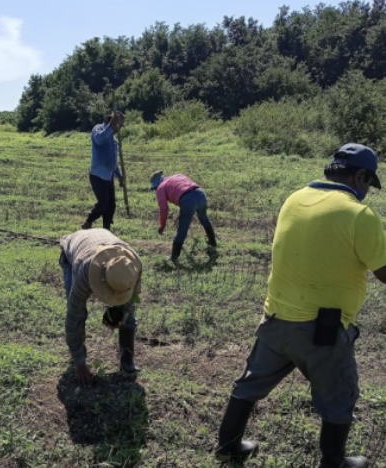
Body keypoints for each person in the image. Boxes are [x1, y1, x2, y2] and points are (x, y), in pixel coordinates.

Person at [215, 143, 386, 468]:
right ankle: (334, 463)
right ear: (361, 176)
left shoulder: (295, 199)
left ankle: (228, 447)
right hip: (324, 332)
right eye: (368, 184)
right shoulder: (359, 214)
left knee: (249, 385)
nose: (367, 192)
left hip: (276, 319)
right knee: (338, 398)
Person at [59, 228, 142, 387]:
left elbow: (132, 300)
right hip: (75, 250)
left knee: (129, 318)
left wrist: (123, 315)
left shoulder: (133, 266)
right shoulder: (84, 270)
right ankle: (77, 357)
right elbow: (73, 317)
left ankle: (127, 360)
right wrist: (80, 364)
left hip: (102, 239)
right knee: (79, 312)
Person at [150, 171, 217, 262]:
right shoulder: (178, 175)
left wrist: (162, 226)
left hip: (188, 200)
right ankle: (213, 243)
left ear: (157, 183)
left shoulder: (161, 187)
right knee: (204, 218)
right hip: (201, 193)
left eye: (155, 188)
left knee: (183, 228)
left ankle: (174, 257)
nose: (155, 190)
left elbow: (164, 208)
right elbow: (185, 187)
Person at [82, 112, 125, 232]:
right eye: (119, 125)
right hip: (98, 175)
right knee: (103, 203)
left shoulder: (113, 140)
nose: (120, 128)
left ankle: (106, 229)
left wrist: (119, 175)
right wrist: (111, 127)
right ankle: (89, 221)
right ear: (112, 122)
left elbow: (113, 161)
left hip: (109, 176)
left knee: (111, 205)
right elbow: (99, 140)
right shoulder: (98, 129)